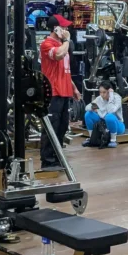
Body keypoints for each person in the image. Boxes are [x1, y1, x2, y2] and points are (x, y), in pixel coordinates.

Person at [40, 14, 81, 169]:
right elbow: (58, 55)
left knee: (62, 126)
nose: (66, 29)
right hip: (53, 92)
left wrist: (74, 88)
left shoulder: (63, 46)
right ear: (55, 29)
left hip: (64, 92)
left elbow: (65, 70)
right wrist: (66, 41)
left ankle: (57, 158)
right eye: (63, 27)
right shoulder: (47, 44)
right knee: (51, 127)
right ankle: (47, 161)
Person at [83, 81, 125, 148]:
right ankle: (92, 138)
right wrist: (93, 108)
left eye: (104, 92)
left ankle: (113, 140)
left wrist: (110, 97)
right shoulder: (99, 98)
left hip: (118, 126)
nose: (102, 94)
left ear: (109, 91)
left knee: (109, 117)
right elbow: (86, 108)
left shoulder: (117, 98)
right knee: (88, 114)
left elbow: (111, 110)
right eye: (100, 92)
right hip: (103, 125)